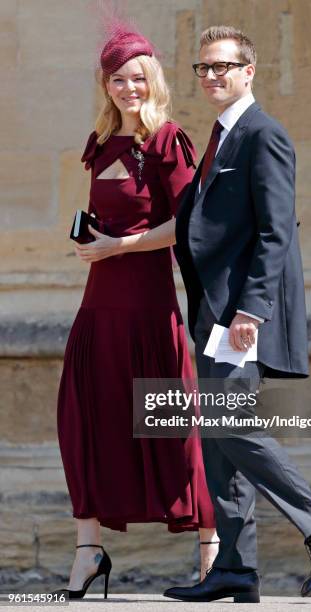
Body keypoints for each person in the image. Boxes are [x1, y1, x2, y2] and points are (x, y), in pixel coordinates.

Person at [161, 26, 311, 603]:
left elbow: (276, 232)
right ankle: (234, 568)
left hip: (241, 314)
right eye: (203, 68)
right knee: (219, 443)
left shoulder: (262, 133)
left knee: (235, 427)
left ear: (249, 72)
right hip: (212, 310)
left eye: (224, 66)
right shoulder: (222, 136)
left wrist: (252, 309)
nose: (213, 76)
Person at [56, 19, 217, 600]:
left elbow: (188, 225)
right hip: (98, 307)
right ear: (106, 85)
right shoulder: (100, 144)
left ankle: (211, 553)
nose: (129, 89)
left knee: (176, 429)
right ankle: (88, 551)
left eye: (139, 78)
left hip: (150, 309)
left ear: (154, 79)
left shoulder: (169, 140)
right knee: (83, 424)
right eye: (119, 80)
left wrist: (118, 245)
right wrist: (91, 240)